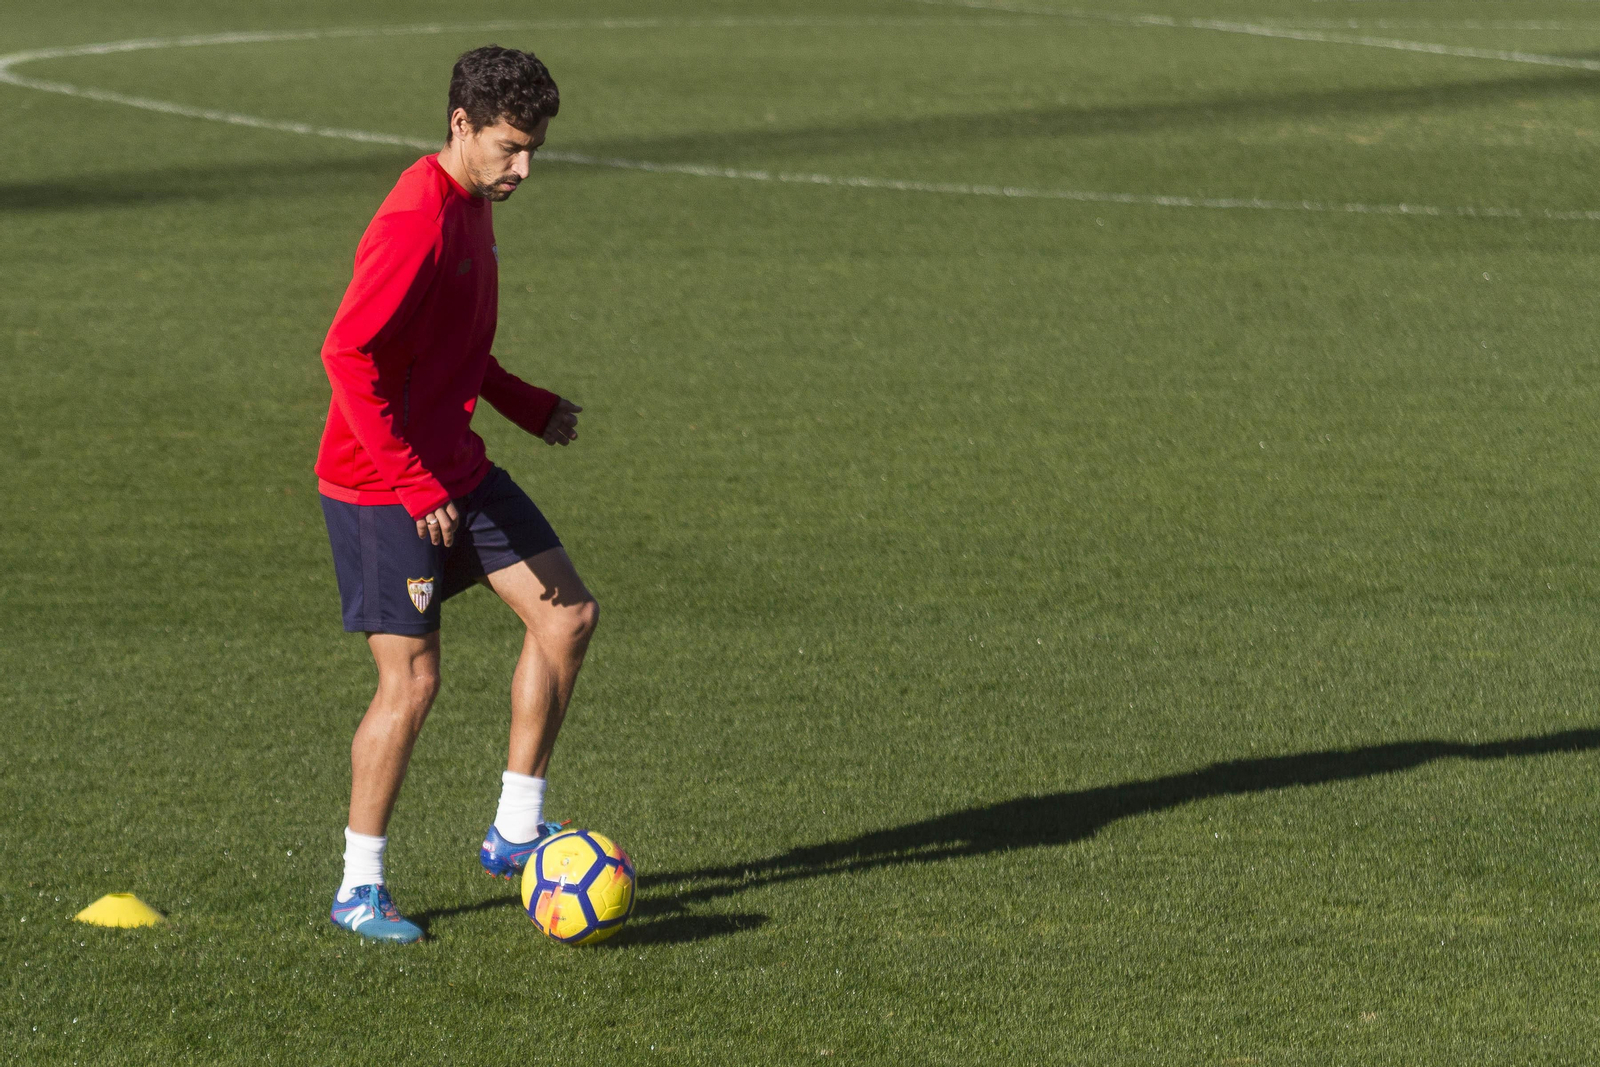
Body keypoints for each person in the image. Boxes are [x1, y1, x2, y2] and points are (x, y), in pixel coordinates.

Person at [314, 45, 594, 943]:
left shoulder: (474, 205)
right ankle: (359, 887)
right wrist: (407, 479)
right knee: (414, 681)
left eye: (535, 152)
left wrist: (526, 405)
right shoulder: (415, 222)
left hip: (454, 467)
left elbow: (456, 345)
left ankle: (515, 831)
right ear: (461, 125)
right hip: (380, 483)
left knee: (567, 616)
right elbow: (346, 356)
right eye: (510, 147)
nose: (523, 169)